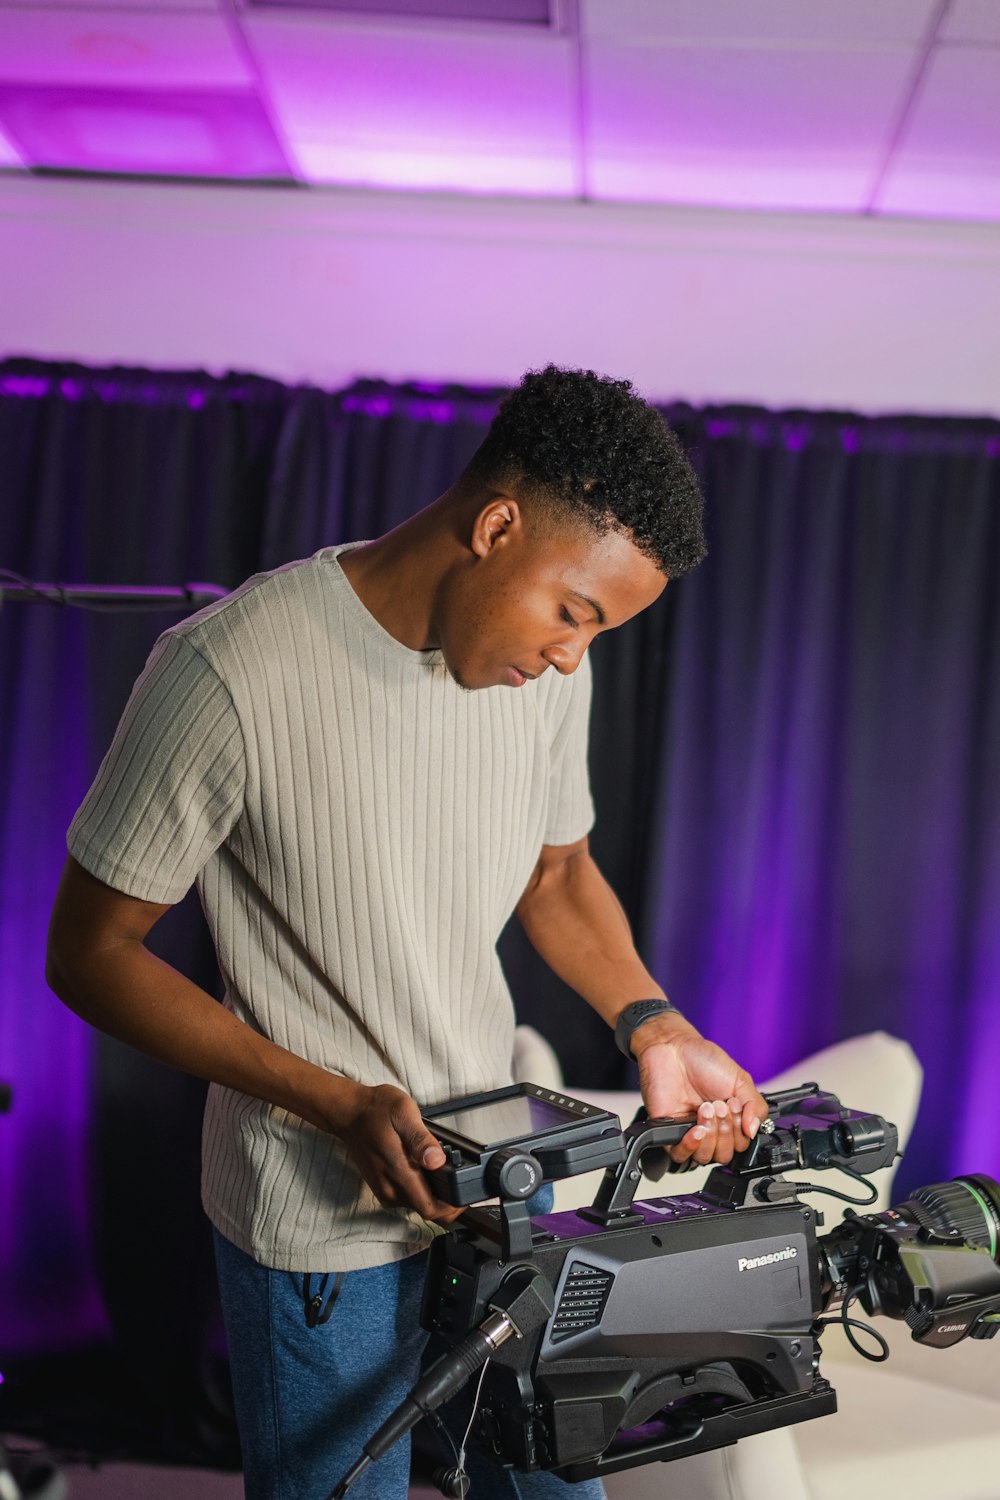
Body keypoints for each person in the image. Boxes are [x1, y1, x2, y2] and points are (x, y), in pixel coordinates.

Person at [46, 365, 768, 1500]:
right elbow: (89, 955)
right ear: (494, 527)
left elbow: (559, 867)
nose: (575, 656)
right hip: (313, 1227)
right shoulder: (225, 669)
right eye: (574, 615)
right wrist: (333, 1100)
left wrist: (653, 1022)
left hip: (497, 1191)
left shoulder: (544, 676)